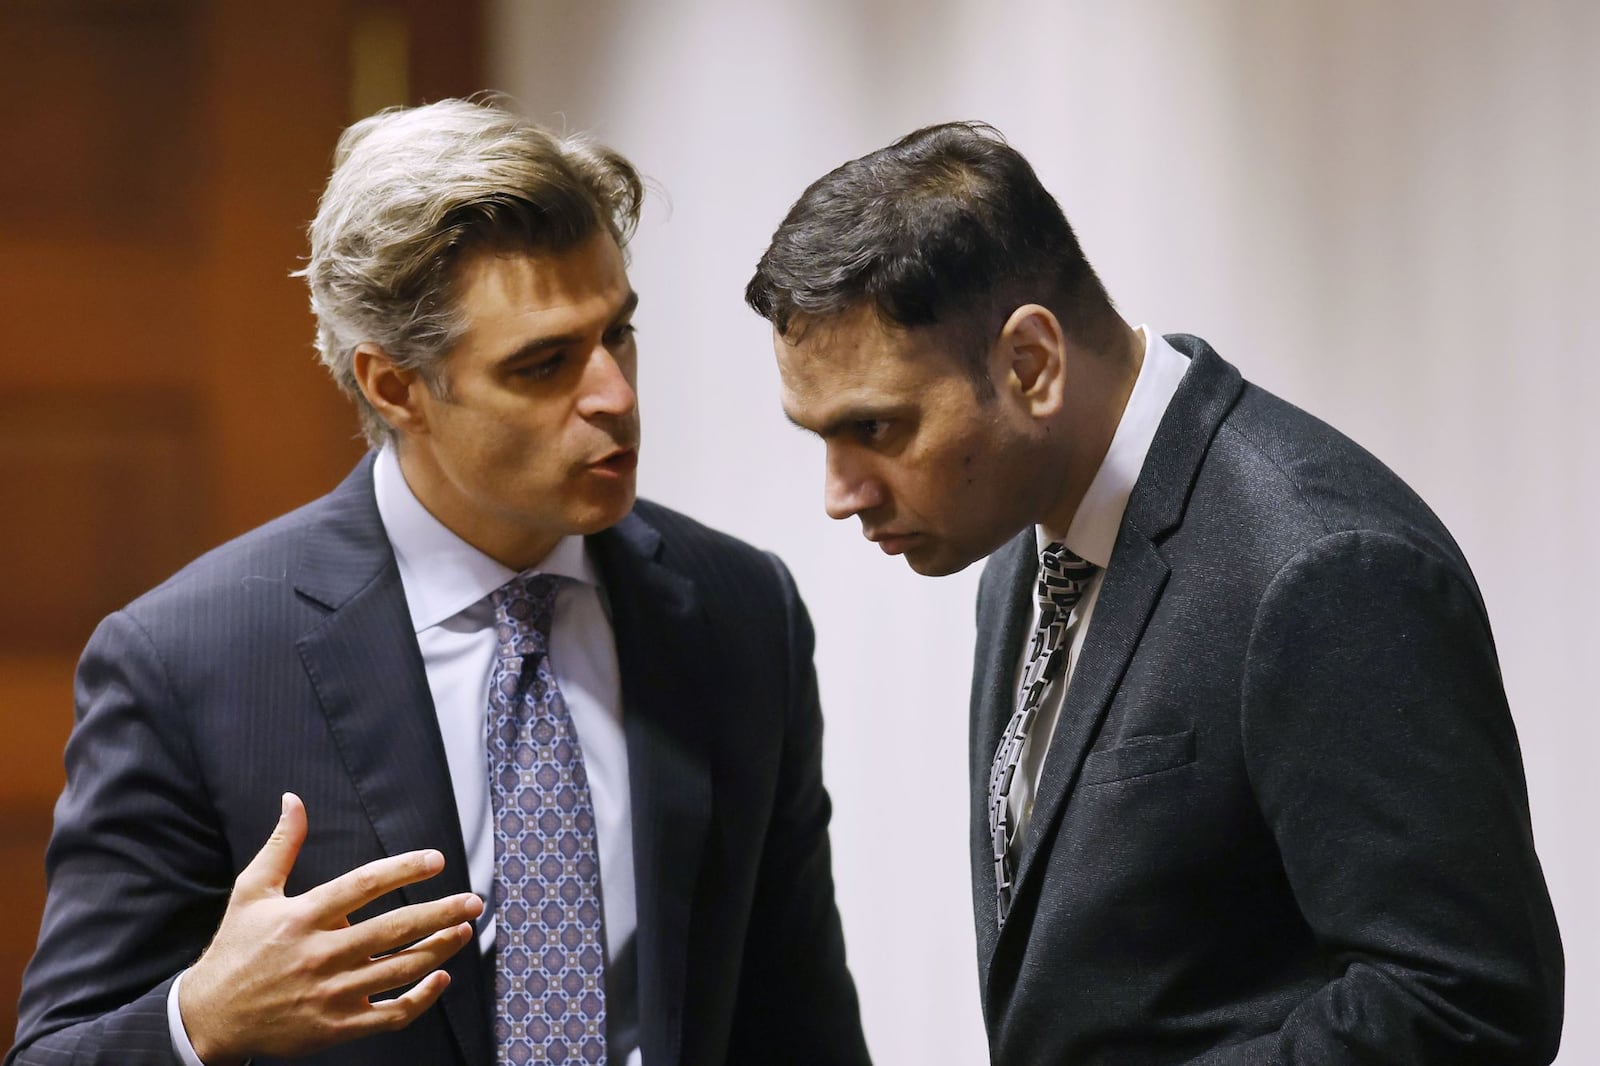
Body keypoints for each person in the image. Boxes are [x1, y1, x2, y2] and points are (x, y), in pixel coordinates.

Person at [10, 99, 870, 1066]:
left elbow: (798, 1016)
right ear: (395, 387)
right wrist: (204, 1017)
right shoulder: (187, 661)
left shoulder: (738, 610)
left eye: (617, 336)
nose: (615, 397)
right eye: (544, 365)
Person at [745, 121, 1563, 1064]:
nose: (840, 496)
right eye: (820, 439)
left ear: (1031, 366)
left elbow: (1465, 1003)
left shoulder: (1328, 564)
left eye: (876, 428)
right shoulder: (1022, 548)